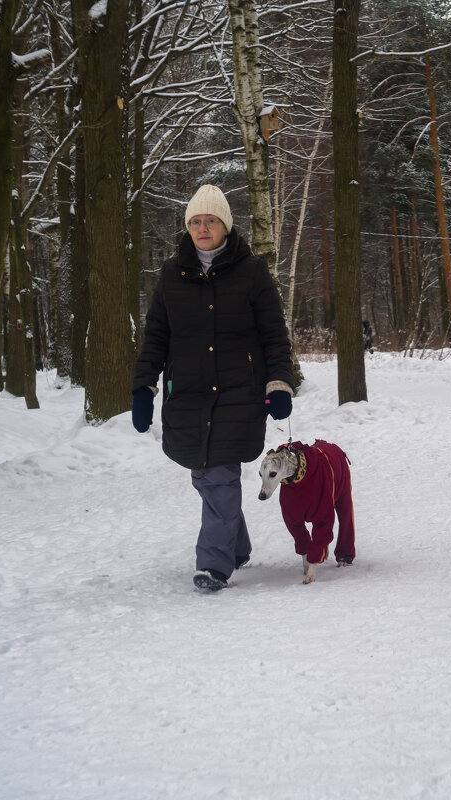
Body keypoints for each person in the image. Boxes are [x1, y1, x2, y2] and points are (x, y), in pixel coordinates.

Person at [131, 185, 295, 591]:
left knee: (217, 475)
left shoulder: (252, 270)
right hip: (187, 392)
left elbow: (274, 333)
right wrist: (143, 387)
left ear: (226, 225)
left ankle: (214, 565)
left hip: (240, 390)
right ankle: (236, 547)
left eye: (211, 220)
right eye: (195, 221)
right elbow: (156, 336)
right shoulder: (172, 273)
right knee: (205, 475)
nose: (202, 228)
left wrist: (279, 384)